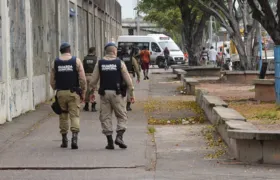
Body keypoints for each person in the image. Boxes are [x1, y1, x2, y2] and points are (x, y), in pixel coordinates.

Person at [89, 42, 135, 150]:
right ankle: (119, 137)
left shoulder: (100, 63)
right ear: (114, 51)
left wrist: (91, 93)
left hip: (104, 94)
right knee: (122, 116)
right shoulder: (120, 63)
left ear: (106, 51)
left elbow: (93, 81)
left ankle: (110, 142)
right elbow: (129, 81)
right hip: (117, 94)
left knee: (105, 117)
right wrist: (131, 94)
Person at [50, 42, 87, 150]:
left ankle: (64, 139)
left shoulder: (55, 62)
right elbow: (82, 79)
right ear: (69, 50)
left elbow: (52, 80)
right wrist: (83, 92)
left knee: (63, 116)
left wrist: (57, 89)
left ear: (60, 51)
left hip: (61, 93)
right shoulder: (76, 61)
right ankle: (74, 138)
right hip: (73, 93)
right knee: (74, 116)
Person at [121, 46, 140, 111]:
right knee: (130, 89)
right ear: (127, 51)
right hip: (129, 74)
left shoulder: (119, 58)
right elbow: (137, 68)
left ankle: (121, 105)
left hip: (121, 75)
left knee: (121, 89)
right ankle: (128, 106)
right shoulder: (132, 58)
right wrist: (138, 77)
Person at [83, 47, 98, 112]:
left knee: (87, 91)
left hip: (86, 76)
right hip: (93, 76)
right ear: (94, 51)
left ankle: (86, 105)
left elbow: (82, 67)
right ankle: (93, 106)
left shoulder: (85, 58)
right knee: (93, 91)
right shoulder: (96, 59)